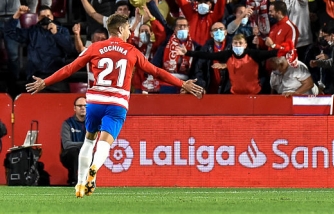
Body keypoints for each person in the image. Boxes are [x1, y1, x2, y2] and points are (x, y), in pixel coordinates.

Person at [25, 13, 204, 198]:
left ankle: (79, 184)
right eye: (127, 28)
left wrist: (45, 82)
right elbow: (157, 72)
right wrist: (182, 84)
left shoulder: (95, 47)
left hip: (95, 101)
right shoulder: (131, 51)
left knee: (88, 141)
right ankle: (95, 167)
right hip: (117, 103)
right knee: (105, 142)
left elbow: (70, 69)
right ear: (120, 29)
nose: (129, 32)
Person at [177, 34, 291, 94]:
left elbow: (270, 53)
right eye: (235, 43)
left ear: (245, 44)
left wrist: (285, 50)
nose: (237, 45)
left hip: (255, 94)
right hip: (234, 94)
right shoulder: (228, 54)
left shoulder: (253, 54)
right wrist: (187, 52)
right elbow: (208, 55)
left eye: (240, 43)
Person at [5, 5, 74, 93]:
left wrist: (56, 34)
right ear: (38, 19)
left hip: (57, 76)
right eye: (42, 17)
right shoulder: (32, 32)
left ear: (52, 17)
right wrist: (18, 14)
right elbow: (9, 32)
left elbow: (70, 50)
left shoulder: (62, 31)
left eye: (48, 16)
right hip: (36, 76)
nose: (46, 19)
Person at [193, 22, 232, 94]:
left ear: (226, 32)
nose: (218, 31)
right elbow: (199, 69)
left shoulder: (233, 46)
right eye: (215, 29)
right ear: (211, 34)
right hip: (211, 90)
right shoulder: (205, 48)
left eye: (221, 29)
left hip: (229, 90)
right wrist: (202, 86)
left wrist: (227, 65)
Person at [60, 96, 87, 187]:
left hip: (87, 153)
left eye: (85, 106)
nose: (83, 108)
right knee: (75, 152)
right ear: (74, 108)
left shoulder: (92, 123)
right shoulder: (68, 123)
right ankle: (74, 181)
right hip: (69, 155)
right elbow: (66, 144)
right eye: (80, 106)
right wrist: (86, 145)